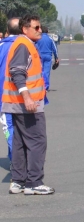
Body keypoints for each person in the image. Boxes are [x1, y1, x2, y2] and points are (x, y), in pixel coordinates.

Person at [3, 14, 54, 195]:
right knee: (37, 141)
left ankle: (18, 181)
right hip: (26, 104)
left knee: (19, 141)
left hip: (16, 103)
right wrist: (27, 98)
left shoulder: (23, 44)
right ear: (25, 29)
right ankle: (34, 182)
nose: (40, 30)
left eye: (40, 27)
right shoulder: (24, 45)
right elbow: (17, 72)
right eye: (36, 27)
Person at [0, 18, 21, 169]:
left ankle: (18, 163)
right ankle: (15, 159)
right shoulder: (27, 46)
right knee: (19, 129)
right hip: (23, 97)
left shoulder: (1, 47)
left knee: (10, 128)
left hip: (5, 97)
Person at [35, 26, 59, 91]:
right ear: (47, 31)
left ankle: (39, 85)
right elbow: (55, 49)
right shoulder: (50, 39)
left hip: (39, 56)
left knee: (39, 71)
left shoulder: (38, 38)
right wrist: (56, 57)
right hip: (48, 56)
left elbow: (34, 46)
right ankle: (45, 86)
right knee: (47, 72)